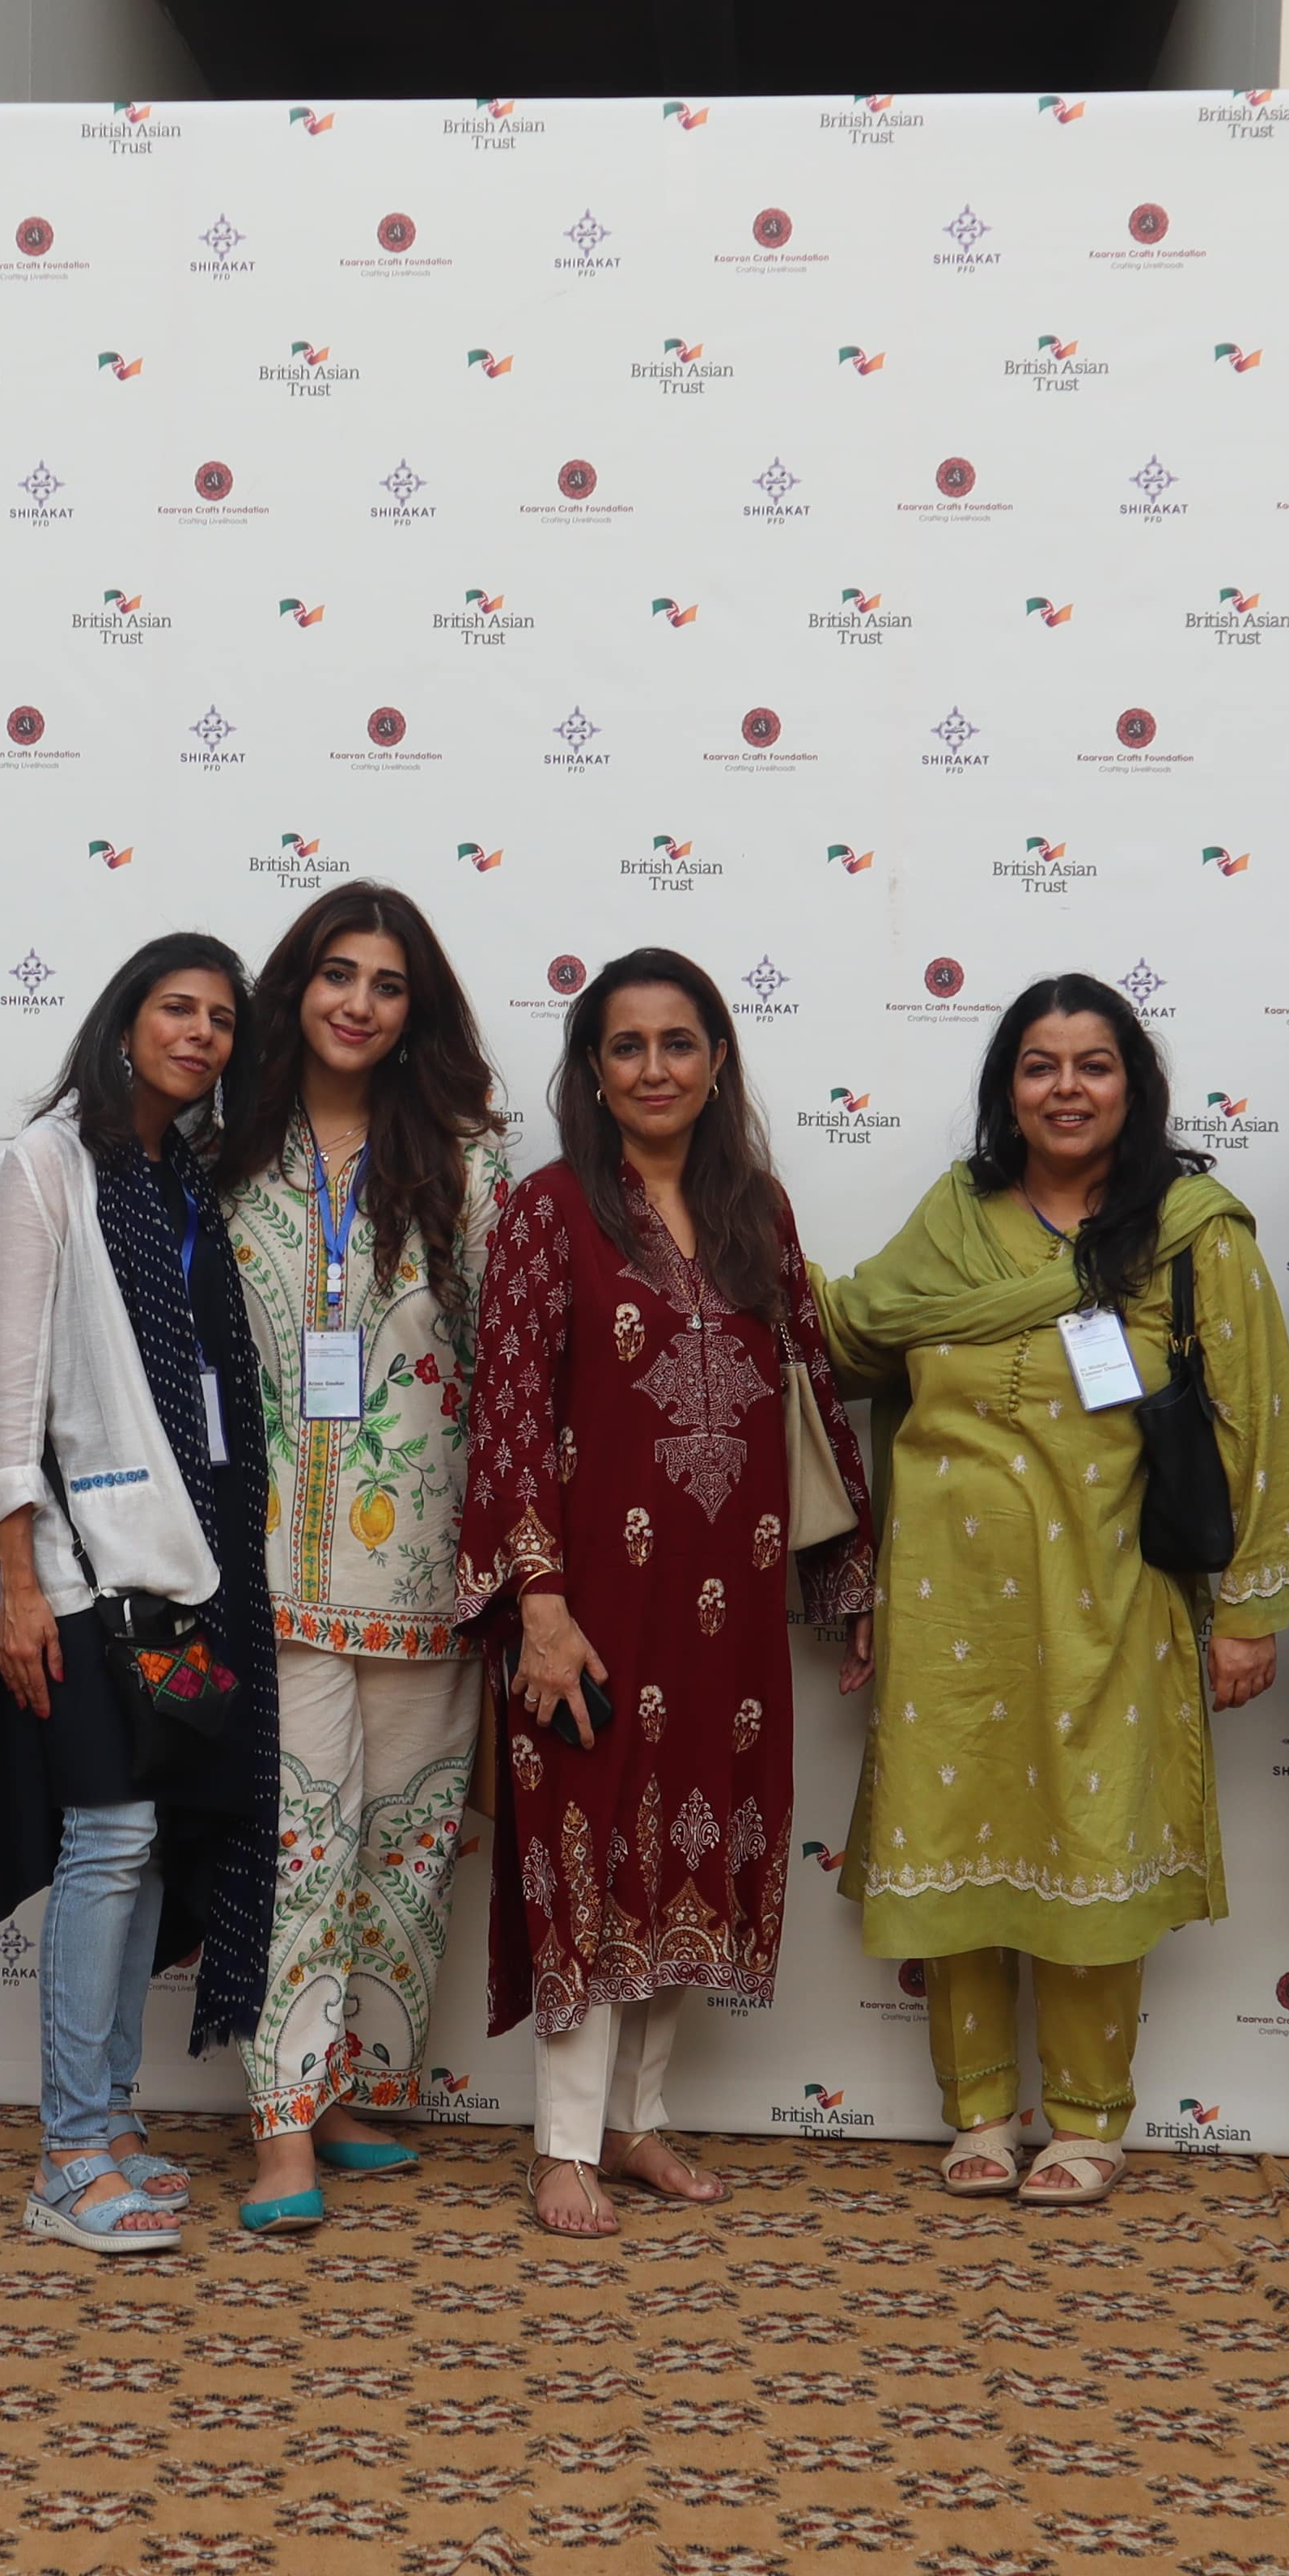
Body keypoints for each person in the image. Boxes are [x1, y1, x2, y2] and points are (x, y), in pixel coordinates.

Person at [827, 978, 1289, 2205]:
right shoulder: (956, 1218)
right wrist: (725, 1241)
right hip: (948, 1602)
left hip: (1111, 1593)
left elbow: (1259, 1420)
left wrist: (1248, 1612)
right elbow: (849, 1332)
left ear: (1133, 1085)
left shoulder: (1191, 1231)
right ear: (1007, 1088)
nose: (1066, 1089)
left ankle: (1088, 2122)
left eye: (1093, 1065)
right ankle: (976, 2113)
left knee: (1093, 1841)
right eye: (1040, 1065)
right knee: (951, 1833)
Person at [464, 948, 877, 2239]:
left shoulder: (759, 1209)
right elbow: (508, 1416)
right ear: (593, 1071)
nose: (655, 1068)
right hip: (594, 1603)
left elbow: (813, 1391)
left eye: (679, 1042)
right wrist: (539, 1605)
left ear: (717, 1061)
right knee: (590, 1848)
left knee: (695, 1846)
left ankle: (636, 2125)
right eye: (627, 1045)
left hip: (731, 1603)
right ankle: (562, 2146)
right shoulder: (548, 1210)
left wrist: (851, 1575)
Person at [0, 937, 282, 2248]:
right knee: (112, 1835)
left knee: (149, 1842)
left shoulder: (183, 1176)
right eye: (176, 1009)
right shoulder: (45, 1165)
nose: (200, 1034)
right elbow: (5, 1394)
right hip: (74, 1570)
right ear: (124, 1021)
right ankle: (69, 2156)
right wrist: (21, 1584)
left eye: (221, 1020)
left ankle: (113, 2121)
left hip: (184, 1567)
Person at [210, 885, 510, 2218]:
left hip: (428, 1573)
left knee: (405, 1844)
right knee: (299, 1843)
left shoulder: (466, 1165)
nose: (359, 1004)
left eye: (388, 985)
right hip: (267, 1565)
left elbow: (510, 1366)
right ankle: (278, 2130)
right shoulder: (225, 1149)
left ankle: (341, 2094)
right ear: (298, 987)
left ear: (415, 1010)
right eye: (338, 974)